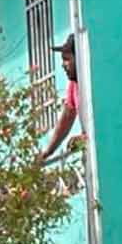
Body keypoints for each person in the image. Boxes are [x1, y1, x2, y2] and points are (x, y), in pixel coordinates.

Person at [36, 35, 80, 166]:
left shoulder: (92, 83)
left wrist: (85, 138)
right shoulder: (74, 85)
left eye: (67, 59)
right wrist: (48, 151)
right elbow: (67, 117)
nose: (63, 65)